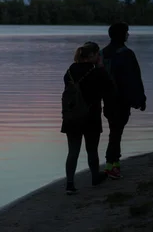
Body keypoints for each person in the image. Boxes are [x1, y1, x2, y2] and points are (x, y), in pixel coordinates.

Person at [61, 41, 115, 195]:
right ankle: (95, 177)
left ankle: (70, 184)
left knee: (73, 151)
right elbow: (110, 90)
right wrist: (101, 69)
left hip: (71, 115)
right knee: (92, 149)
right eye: (98, 54)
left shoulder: (70, 70)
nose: (99, 57)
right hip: (91, 115)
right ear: (92, 55)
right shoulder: (98, 72)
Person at [99, 22, 147, 180]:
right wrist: (141, 98)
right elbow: (135, 78)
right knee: (116, 132)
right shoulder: (127, 53)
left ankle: (113, 164)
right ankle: (111, 165)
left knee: (115, 130)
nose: (128, 34)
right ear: (121, 34)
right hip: (122, 100)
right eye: (127, 32)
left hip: (107, 100)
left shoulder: (102, 53)